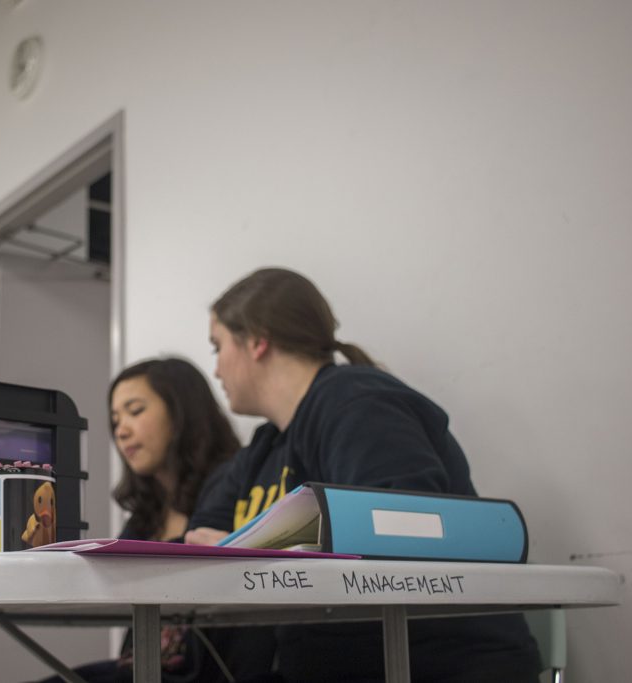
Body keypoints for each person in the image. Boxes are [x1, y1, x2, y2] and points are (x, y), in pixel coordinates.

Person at [185, 267, 542, 683]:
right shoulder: (266, 446)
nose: (215, 370)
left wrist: (249, 550)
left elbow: (401, 531)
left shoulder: (356, 402)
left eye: (218, 347)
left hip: (436, 663)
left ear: (257, 341)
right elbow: (200, 537)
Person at [40, 357, 275, 683]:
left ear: (182, 414)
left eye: (135, 411)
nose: (121, 431)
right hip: (144, 666)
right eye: (116, 420)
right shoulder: (145, 514)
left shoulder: (237, 486)